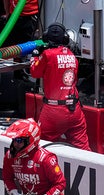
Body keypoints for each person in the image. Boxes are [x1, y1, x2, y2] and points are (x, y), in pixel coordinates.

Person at [29, 23, 91, 151]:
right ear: (65, 39)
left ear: (46, 37)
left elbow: (35, 72)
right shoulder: (72, 55)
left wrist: (35, 56)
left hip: (54, 110)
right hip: (74, 109)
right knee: (83, 149)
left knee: (39, 147)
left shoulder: (47, 55)